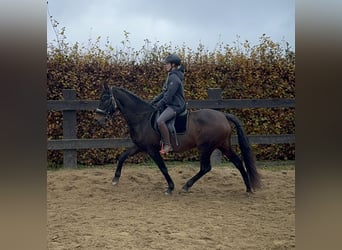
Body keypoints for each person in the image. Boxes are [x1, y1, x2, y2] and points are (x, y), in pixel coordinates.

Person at [151, 54, 186, 154]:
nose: (165, 65)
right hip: (172, 104)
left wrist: (159, 105)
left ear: (173, 65)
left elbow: (168, 96)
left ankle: (168, 145)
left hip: (176, 106)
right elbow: (164, 93)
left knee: (160, 121)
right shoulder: (171, 76)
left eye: (167, 64)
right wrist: (154, 101)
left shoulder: (174, 78)